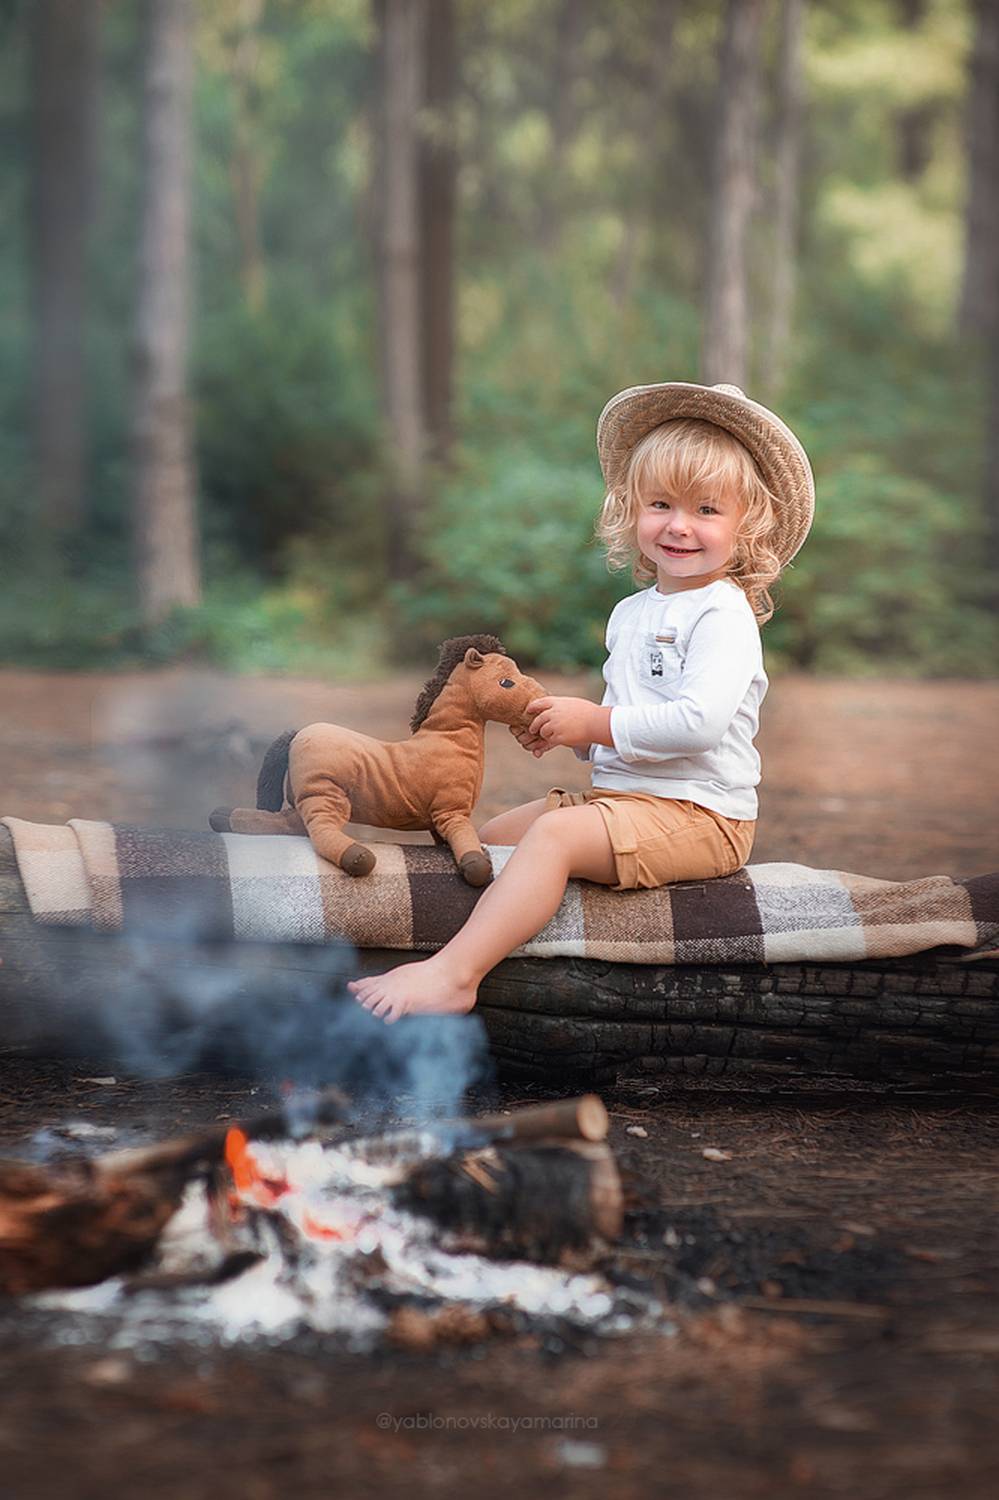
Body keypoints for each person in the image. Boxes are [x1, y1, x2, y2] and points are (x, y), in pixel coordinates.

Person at [348, 381, 815, 1024]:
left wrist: (595, 721)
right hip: (627, 799)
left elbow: (699, 725)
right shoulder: (631, 612)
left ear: (746, 524)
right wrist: (577, 734)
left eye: (706, 509)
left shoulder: (723, 613)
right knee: (492, 840)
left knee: (555, 837)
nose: (679, 525)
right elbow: (634, 716)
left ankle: (456, 977)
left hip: (702, 814)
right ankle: (467, 938)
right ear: (632, 509)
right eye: (660, 504)